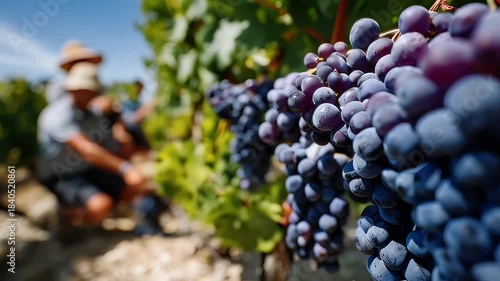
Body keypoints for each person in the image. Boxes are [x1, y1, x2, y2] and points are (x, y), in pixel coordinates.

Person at [36, 63, 165, 236]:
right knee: (101, 205)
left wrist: (120, 129)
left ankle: (118, 213)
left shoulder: (91, 113)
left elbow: (107, 144)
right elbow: (86, 149)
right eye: (91, 90)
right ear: (75, 90)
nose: (96, 94)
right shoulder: (57, 114)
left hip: (86, 168)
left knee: (134, 190)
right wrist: (125, 169)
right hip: (61, 175)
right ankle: (69, 221)